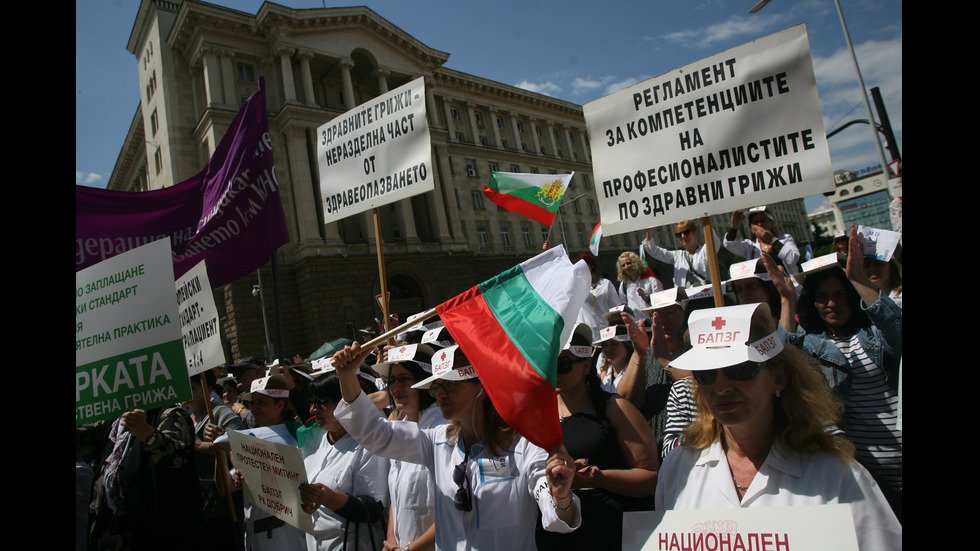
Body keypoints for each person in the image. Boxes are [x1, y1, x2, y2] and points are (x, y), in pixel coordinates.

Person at [656, 303, 902, 551]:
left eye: (740, 369)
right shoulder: (678, 468)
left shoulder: (837, 475)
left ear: (779, 376)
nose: (721, 388)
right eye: (706, 373)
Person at [330, 342, 582, 551]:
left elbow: (557, 516)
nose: (440, 394)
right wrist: (347, 377)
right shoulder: (436, 441)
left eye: (450, 384)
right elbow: (376, 435)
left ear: (481, 387)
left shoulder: (523, 446)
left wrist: (560, 497)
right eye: (437, 386)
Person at [781, 226, 902, 521]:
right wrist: (786, 299)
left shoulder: (874, 333)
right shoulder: (812, 344)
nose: (831, 304)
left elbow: (897, 329)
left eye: (839, 294)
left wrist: (860, 279)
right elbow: (783, 358)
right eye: (822, 297)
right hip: (868, 474)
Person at [536, 324, 659, 550]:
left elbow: (652, 476)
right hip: (554, 533)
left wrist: (598, 477)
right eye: (548, 365)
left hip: (607, 531)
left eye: (562, 365)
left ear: (586, 365)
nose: (554, 372)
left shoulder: (615, 409)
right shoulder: (539, 413)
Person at [76, 404, 205, 551]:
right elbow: (83, 441)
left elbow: (176, 458)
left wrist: (145, 432)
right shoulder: (113, 423)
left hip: (153, 534)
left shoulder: (171, 414)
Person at [214, 375, 307, 551]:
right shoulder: (248, 440)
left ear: (280, 405)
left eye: (261, 403)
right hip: (254, 535)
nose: (254, 409)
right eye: (253, 403)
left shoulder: (300, 437)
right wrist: (220, 450)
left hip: (290, 537)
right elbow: (225, 486)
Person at [298, 372, 390, 551]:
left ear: (344, 405)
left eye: (320, 403)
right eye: (312, 402)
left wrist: (330, 498)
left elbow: (373, 509)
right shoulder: (313, 440)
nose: (312, 410)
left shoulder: (368, 442)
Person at [371, 343, 447, 551]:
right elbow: (397, 501)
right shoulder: (401, 428)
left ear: (424, 381)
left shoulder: (444, 430)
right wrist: (391, 542)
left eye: (404, 379)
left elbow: (452, 510)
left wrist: (410, 550)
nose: (395, 388)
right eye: (391, 380)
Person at [185, 372, 246, 551]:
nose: (187, 393)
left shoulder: (221, 413)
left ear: (209, 388)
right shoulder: (187, 417)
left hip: (224, 505)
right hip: (202, 505)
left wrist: (199, 445)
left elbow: (238, 448)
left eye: (193, 388)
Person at [641, 220, 721, 289]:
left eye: (686, 233)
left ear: (695, 233)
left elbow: (714, 242)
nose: (683, 236)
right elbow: (655, 252)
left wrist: (704, 221)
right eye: (679, 235)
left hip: (706, 293)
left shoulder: (704, 251)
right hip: (686, 300)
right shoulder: (678, 255)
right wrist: (649, 231)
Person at [724, 207, 801, 276]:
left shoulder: (785, 239)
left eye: (763, 220)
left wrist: (772, 240)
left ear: (771, 223)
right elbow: (730, 245)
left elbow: (793, 259)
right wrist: (734, 227)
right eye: (755, 222)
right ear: (751, 228)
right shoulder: (750, 246)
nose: (760, 224)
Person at [575, 252, 624, 340]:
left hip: (605, 331)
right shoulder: (577, 287)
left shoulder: (606, 284)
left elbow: (616, 307)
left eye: (584, 265)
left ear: (592, 266)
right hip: (585, 333)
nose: (582, 268)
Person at [616, 251, 662, 321]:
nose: (626, 267)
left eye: (628, 263)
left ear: (635, 262)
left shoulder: (651, 280)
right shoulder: (623, 285)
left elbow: (660, 302)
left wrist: (646, 298)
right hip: (635, 325)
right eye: (623, 265)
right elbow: (624, 306)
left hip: (651, 323)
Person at [593, 323, 636, 395]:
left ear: (627, 346)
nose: (608, 348)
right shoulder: (603, 373)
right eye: (605, 345)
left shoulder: (637, 370)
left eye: (614, 343)